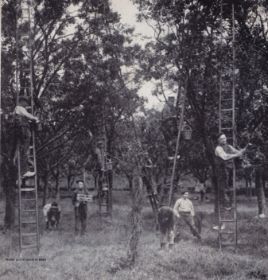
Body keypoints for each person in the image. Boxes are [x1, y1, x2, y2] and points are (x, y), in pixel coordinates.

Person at [213, 133, 246, 230]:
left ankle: (227, 213)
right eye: (222, 138)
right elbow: (225, 157)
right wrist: (237, 154)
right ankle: (220, 223)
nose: (224, 140)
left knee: (229, 191)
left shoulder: (229, 146)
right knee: (223, 196)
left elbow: (237, 152)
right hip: (221, 173)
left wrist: (242, 151)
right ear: (218, 140)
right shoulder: (218, 148)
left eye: (225, 138)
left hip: (229, 172)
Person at [14, 96, 39, 178]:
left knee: (24, 151)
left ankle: (24, 170)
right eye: (26, 103)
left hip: (21, 130)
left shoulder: (19, 110)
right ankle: (24, 171)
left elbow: (25, 117)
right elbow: (27, 115)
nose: (26, 105)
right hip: (23, 130)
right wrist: (35, 118)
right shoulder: (19, 107)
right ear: (22, 101)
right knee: (25, 151)